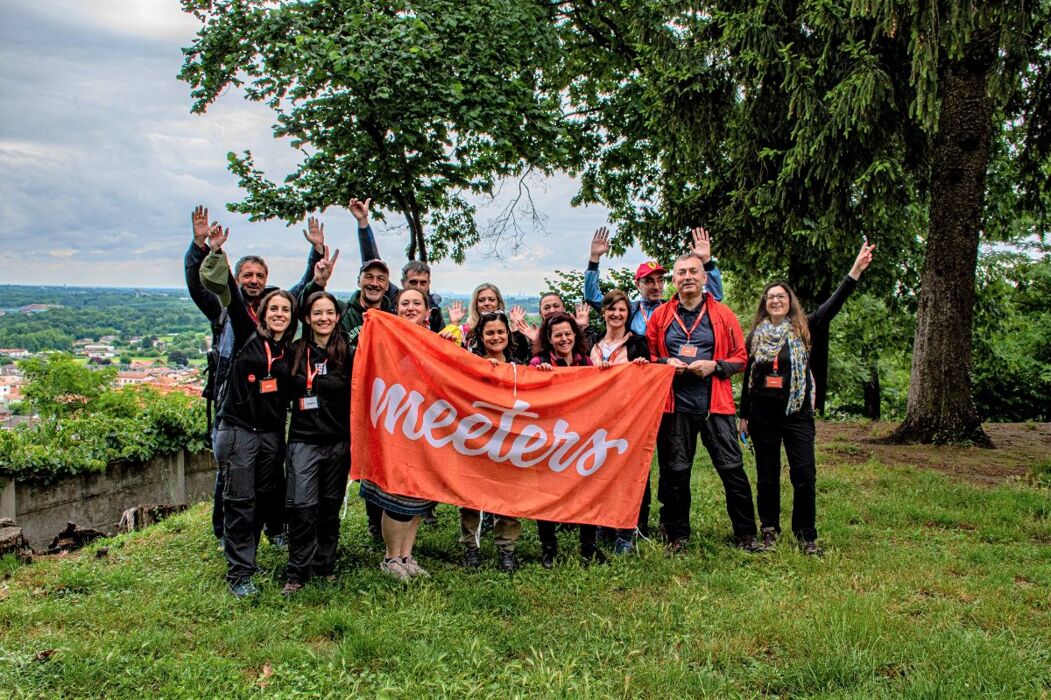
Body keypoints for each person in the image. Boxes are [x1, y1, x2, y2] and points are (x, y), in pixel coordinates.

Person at [184, 207, 321, 550]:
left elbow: (303, 288)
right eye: (247, 274)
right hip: (232, 401)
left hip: (269, 408)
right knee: (231, 473)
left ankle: (274, 528)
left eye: (260, 274)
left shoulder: (275, 307)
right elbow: (195, 282)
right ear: (238, 277)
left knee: (272, 472)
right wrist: (200, 246)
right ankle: (224, 533)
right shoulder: (223, 306)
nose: (254, 280)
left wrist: (316, 252)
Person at [740, 242, 876, 556]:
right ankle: (769, 530)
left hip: (797, 413)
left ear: (790, 302)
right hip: (762, 414)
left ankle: (806, 536)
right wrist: (743, 414)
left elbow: (834, 304)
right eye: (771, 297)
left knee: (804, 474)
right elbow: (749, 379)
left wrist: (854, 271)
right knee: (767, 475)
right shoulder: (756, 336)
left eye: (781, 296)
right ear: (765, 303)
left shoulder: (804, 328)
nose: (775, 300)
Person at [198, 225, 298, 598]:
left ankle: (251, 556)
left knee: (262, 500)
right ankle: (240, 574)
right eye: (274, 309)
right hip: (239, 430)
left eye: (286, 310)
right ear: (262, 313)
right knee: (239, 501)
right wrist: (216, 252)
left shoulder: (290, 350)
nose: (279, 314)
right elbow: (230, 293)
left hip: (271, 435)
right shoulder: (245, 330)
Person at [646, 252, 760, 553]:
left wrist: (715, 366)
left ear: (704, 277)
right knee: (675, 472)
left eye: (693, 271)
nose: (687, 277)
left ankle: (747, 534)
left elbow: (741, 358)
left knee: (732, 468)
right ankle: (676, 535)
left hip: (715, 405)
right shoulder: (660, 317)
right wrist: (665, 361)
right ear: (674, 280)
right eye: (681, 272)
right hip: (675, 406)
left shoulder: (722, 315)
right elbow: (647, 358)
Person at [359, 288, 440, 580]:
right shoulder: (385, 338)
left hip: (425, 428)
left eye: (416, 303)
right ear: (396, 309)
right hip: (393, 425)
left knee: (419, 493)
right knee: (397, 494)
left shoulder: (436, 342)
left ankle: (407, 555)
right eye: (404, 303)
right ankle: (390, 558)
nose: (410, 307)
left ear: (427, 311)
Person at [281, 287, 354, 595]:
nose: (323, 318)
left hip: (337, 442)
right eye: (317, 313)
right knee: (302, 506)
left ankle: (324, 565)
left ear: (337, 317)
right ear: (307, 319)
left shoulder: (349, 354)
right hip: (303, 441)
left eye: (329, 313)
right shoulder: (295, 351)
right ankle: (297, 570)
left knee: (328, 507)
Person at [529, 312, 603, 567]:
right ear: (549, 338)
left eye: (568, 334)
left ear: (575, 335)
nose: (564, 339)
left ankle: (588, 547)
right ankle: (549, 548)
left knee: (587, 490)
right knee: (547, 494)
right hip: (551, 439)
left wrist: (605, 374)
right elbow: (530, 398)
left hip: (582, 437)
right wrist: (540, 376)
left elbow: (600, 393)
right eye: (558, 335)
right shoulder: (538, 361)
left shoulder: (585, 362)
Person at [458, 311, 525, 572]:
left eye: (500, 332)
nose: (496, 337)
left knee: (509, 495)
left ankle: (507, 549)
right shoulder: (470, 364)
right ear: (481, 336)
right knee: (470, 495)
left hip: (510, 440)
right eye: (490, 333)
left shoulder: (521, 366)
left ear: (508, 335)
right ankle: (470, 548)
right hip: (475, 439)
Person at [589, 289, 651, 554]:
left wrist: (641, 368)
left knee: (629, 472)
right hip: (595, 418)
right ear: (603, 312)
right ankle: (604, 523)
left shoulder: (638, 342)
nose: (616, 314)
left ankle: (627, 531)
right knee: (599, 470)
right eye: (611, 309)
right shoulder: (591, 341)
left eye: (622, 310)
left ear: (629, 313)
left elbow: (649, 377)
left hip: (629, 419)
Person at [584, 226, 725, 332]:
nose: (656, 286)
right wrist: (594, 259)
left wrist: (706, 261)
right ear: (638, 284)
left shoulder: (674, 308)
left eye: (660, 280)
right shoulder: (629, 310)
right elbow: (591, 296)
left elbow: (715, 297)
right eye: (649, 281)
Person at [349, 197, 447, 332]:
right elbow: (373, 263)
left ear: (429, 284)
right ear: (403, 283)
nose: (418, 287)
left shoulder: (434, 311)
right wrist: (363, 224)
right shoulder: (392, 300)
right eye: (413, 282)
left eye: (423, 283)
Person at [441, 283, 531, 363]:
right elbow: (451, 355)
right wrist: (454, 323)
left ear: (498, 303)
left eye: (491, 299)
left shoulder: (509, 331)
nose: (487, 303)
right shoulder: (464, 331)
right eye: (481, 300)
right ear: (475, 304)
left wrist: (515, 326)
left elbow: (521, 357)